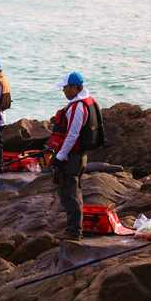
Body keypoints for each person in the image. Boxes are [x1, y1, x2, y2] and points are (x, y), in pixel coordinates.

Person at [49, 72, 104, 241]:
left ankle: (74, 231)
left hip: (72, 157)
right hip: (80, 155)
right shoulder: (88, 101)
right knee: (74, 191)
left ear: (74, 88)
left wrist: (60, 157)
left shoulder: (77, 107)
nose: (63, 91)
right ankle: (75, 227)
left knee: (69, 193)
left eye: (65, 88)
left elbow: (72, 135)